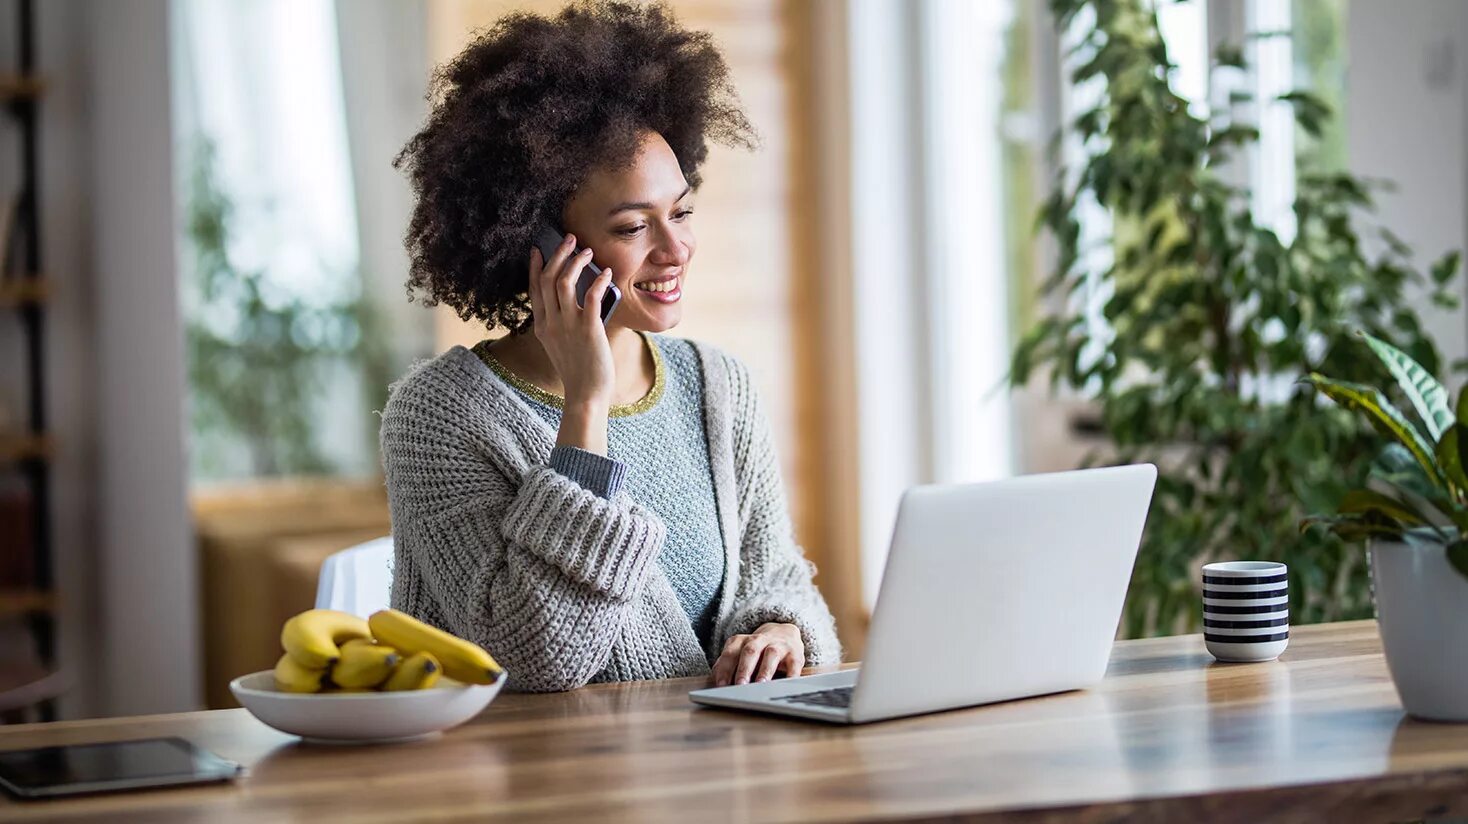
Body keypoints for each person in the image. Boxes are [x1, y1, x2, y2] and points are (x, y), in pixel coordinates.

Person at [381, 0, 840, 693]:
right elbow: (535, 658)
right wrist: (586, 406)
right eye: (633, 227)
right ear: (534, 242)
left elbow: (773, 576)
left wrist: (780, 629)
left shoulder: (719, 387)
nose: (676, 248)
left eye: (680, 211)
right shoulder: (439, 416)